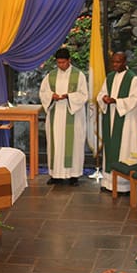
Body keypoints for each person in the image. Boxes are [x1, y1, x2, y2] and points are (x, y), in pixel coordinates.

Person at [40, 48, 89, 186]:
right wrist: (52, 96)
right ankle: (56, 175)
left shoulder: (78, 75)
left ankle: (74, 176)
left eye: (63, 62)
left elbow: (84, 95)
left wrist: (69, 96)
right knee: (56, 144)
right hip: (56, 115)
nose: (61, 65)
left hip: (72, 115)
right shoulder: (51, 75)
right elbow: (43, 93)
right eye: (58, 63)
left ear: (69, 60)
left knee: (73, 145)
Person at [97, 51, 137, 194]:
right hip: (111, 119)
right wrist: (103, 98)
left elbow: (134, 100)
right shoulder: (109, 77)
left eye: (118, 62)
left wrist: (116, 101)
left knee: (125, 149)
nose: (115, 65)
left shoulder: (133, 79)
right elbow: (100, 93)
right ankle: (109, 182)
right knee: (111, 149)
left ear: (125, 62)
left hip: (127, 122)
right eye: (113, 62)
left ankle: (125, 185)